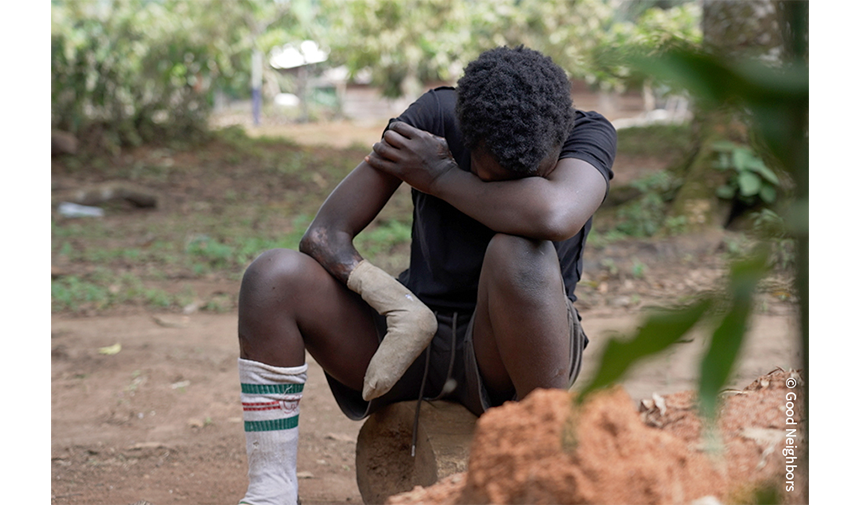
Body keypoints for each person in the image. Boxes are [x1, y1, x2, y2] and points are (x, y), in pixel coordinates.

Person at [234, 45, 616, 505]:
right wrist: (399, 306)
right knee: (272, 277)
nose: (500, 193)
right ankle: (270, 492)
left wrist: (440, 177)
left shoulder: (587, 132)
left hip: (511, 353)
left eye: (528, 181)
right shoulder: (436, 115)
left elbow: (554, 214)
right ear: (465, 136)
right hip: (409, 341)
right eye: (490, 177)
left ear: (558, 144)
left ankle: (544, 460)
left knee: (519, 249)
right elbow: (325, 235)